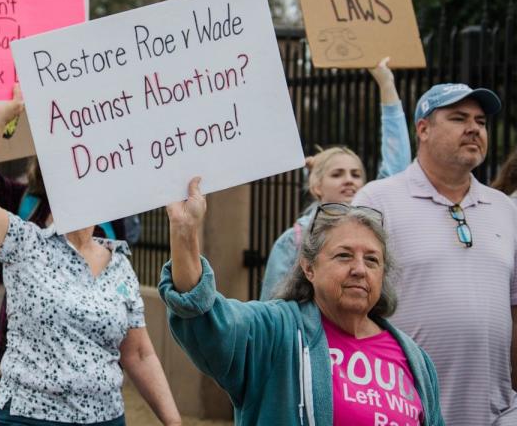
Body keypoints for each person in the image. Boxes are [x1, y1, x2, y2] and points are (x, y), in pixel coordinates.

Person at [0, 87, 181, 426]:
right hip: (28, 418)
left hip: (106, 418)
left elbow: (138, 352)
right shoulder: (25, 242)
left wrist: (174, 422)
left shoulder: (119, 264)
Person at [160, 178, 444, 425]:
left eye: (371, 260)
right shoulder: (274, 332)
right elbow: (206, 320)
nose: (359, 269)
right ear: (309, 268)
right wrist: (184, 233)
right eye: (344, 255)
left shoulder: (415, 359)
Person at [353, 83, 517, 425]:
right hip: (404, 409)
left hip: (496, 412)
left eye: (481, 121)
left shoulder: (505, 208)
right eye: (458, 118)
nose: (474, 128)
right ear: (423, 129)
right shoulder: (377, 201)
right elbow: (349, 304)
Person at [259, 58, 410, 300]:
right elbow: (272, 307)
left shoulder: (373, 217)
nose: (349, 180)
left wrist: (387, 85)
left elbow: (397, 164)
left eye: (356, 174)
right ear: (316, 186)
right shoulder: (293, 241)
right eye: (337, 174)